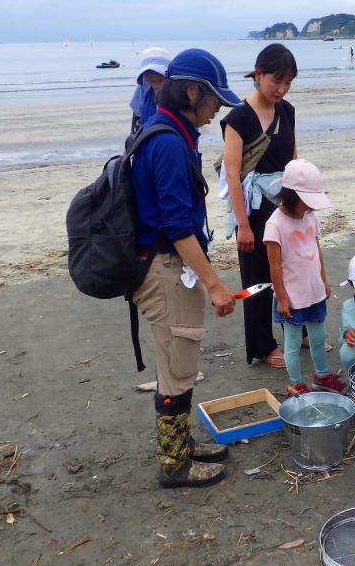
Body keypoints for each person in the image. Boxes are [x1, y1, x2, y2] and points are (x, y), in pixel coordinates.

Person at [130, 48, 241, 488]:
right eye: (214, 99)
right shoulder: (169, 144)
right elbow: (177, 228)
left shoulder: (168, 131)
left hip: (168, 265)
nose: (217, 111)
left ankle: (182, 444)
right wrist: (215, 285)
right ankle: (174, 464)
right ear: (193, 92)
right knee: (177, 366)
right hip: (167, 268)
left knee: (178, 362)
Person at [220, 44, 299, 368]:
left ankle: (298, 327)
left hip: (285, 204)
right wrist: (242, 224)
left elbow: (293, 159)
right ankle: (263, 345)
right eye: (276, 81)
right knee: (257, 280)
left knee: (293, 269)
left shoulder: (287, 111)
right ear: (258, 74)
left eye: (288, 82)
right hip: (253, 210)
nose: (281, 89)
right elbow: (233, 174)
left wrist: (300, 203)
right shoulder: (237, 118)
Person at [264, 159, 348, 394]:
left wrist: (323, 280)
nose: (310, 206)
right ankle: (296, 383)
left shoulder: (310, 216)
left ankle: (322, 375)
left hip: (314, 291)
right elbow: (274, 267)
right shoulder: (275, 224)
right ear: (290, 195)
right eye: (306, 200)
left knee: (319, 337)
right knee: (292, 344)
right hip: (292, 296)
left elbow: (316, 250)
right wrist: (282, 298)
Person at [129, 47, 170, 133]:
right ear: (144, 75)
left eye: (158, 72)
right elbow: (136, 126)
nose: (154, 76)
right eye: (149, 72)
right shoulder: (143, 97)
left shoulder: (176, 99)